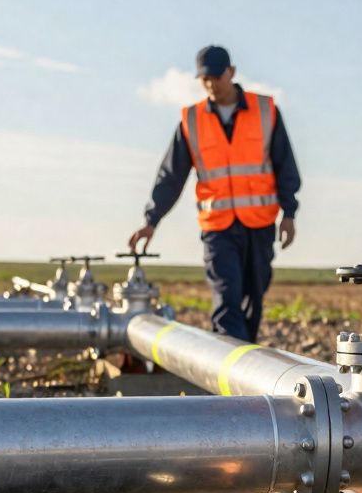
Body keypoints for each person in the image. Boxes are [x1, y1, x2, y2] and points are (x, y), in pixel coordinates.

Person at [128, 45, 301, 342]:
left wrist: (289, 213)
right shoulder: (192, 121)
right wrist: (151, 220)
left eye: (216, 77)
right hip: (218, 227)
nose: (210, 84)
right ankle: (231, 379)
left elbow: (285, 165)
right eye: (204, 79)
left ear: (231, 73)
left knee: (252, 300)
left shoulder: (265, 111)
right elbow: (171, 176)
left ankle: (248, 364)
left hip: (259, 224)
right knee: (226, 299)